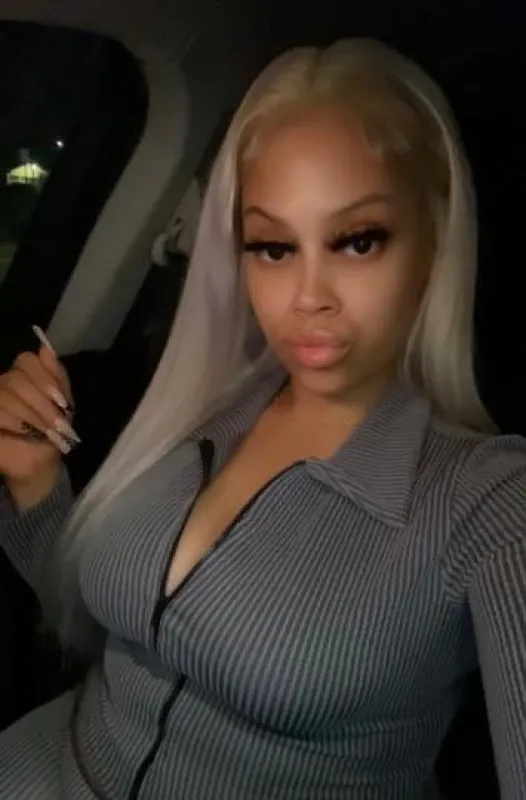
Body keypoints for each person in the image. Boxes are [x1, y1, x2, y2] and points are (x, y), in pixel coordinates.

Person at [0, 37, 524, 800]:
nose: (309, 297)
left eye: (357, 241)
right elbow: (106, 635)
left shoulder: (487, 499)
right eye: (274, 247)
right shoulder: (198, 411)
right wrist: (37, 488)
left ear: (435, 238)